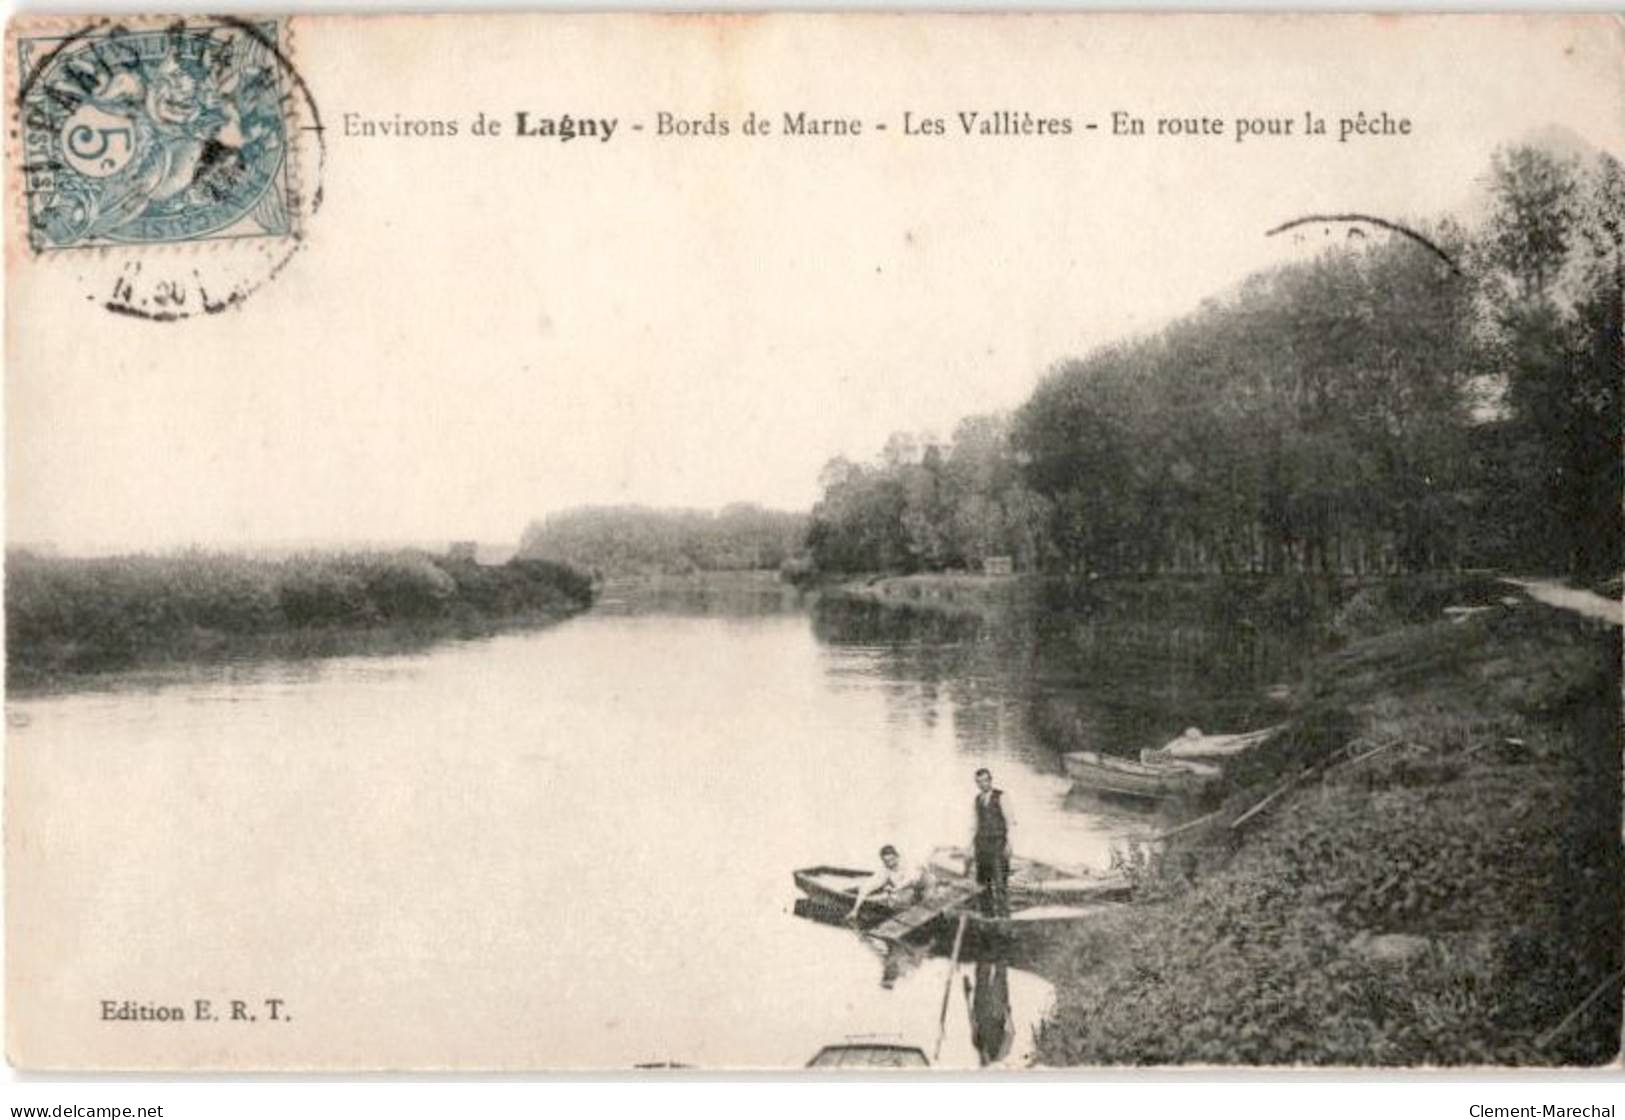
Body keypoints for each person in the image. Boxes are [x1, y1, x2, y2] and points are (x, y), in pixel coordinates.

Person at [965, 768, 1014, 917]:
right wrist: (969, 847)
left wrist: (1009, 843)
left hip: (998, 844)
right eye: (979, 782)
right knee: (983, 883)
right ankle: (987, 916)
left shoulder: (1001, 796)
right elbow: (974, 824)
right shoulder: (977, 800)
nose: (982, 784)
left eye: (985, 780)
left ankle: (1004, 917)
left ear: (990, 780)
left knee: (1000, 882)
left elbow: (1010, 821)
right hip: (981, 846)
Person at [846, 844, 929, 924]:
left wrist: (895, 889)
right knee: (892, 899)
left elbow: (910, 880)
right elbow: (865, 888)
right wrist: (855, 910)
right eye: (886, 861)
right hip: (908, 895)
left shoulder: (908, 864)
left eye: (892, 860)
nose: (890, 864)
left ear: (897, 857)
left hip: (924, 887)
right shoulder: (885, 870)